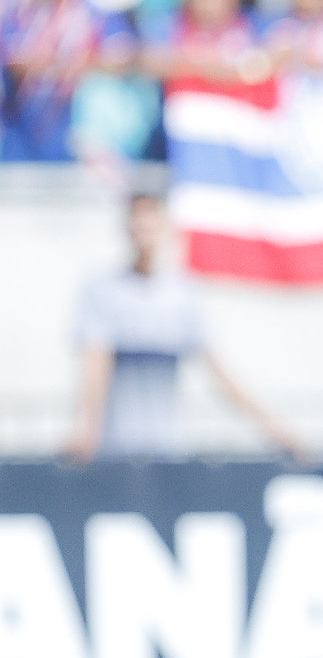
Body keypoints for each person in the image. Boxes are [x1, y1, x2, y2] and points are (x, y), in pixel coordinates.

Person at [65, 188, 301, 461]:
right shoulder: (103, 289)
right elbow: (95, 362)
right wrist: (86, 427)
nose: (143, 229)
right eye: (137, 220)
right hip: (113, 450)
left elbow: (218, 372)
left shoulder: (183, 293)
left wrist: (272, 428)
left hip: (165, 450)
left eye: (150, 219)